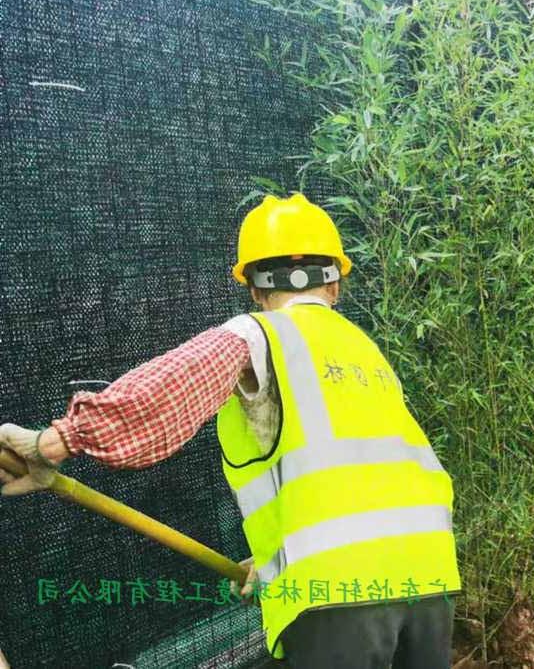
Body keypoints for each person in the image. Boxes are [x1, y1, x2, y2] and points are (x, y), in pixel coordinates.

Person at [0, 192, 460, 669]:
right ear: (336, 285)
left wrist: (50, 444)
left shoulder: (260, 334)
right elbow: (359, 481)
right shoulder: (366, 352)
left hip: (339, 594)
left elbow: (163, 394)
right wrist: (276, 561)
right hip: (429, 579)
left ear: (256, 290)